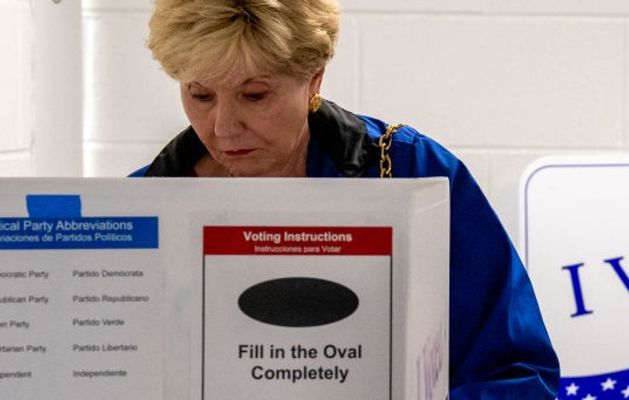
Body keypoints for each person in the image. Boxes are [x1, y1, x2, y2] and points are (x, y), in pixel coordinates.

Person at [129, 0, 560, 397]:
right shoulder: (134, 206)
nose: (222, 127)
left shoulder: (412, 173)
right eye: (200, 95)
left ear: (313, 77)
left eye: (254, 95)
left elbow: (518, 375)